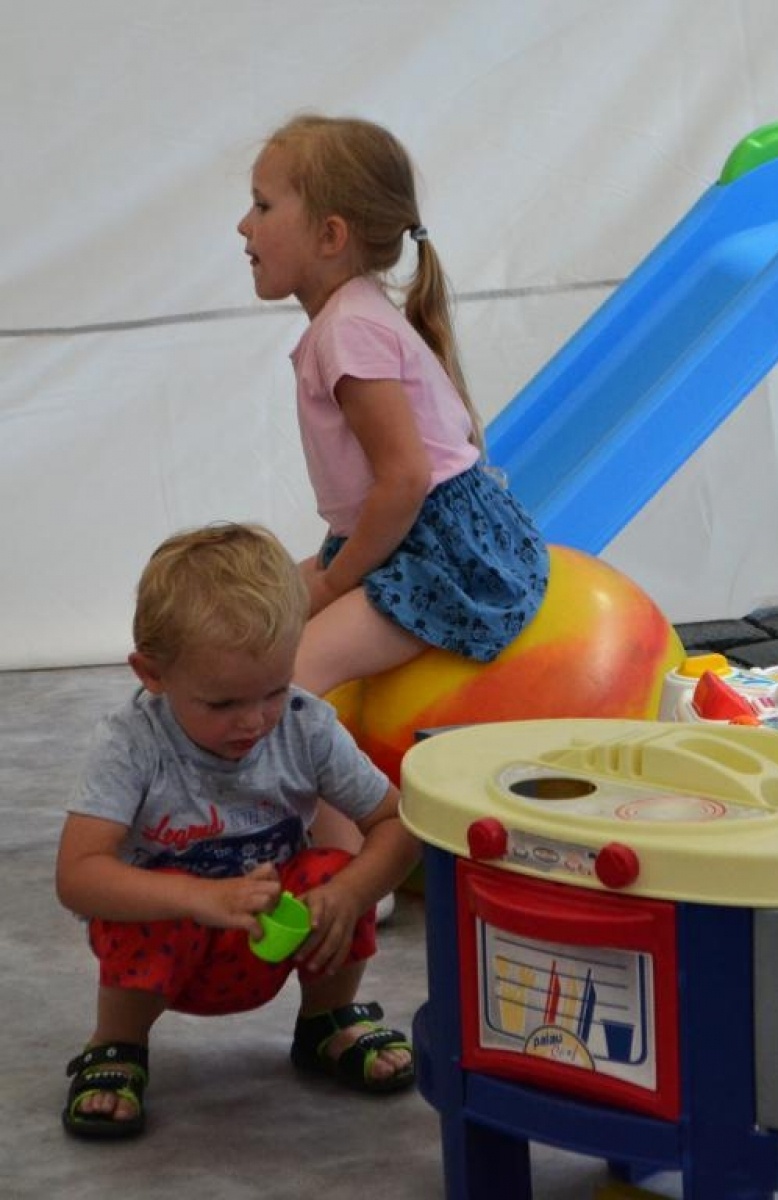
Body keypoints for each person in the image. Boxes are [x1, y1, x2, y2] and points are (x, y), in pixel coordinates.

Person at [56, 523, 421, 1140]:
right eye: (221, 704)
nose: (252, 722)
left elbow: (396, 821)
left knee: (334, 872)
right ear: (152, 673)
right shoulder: (131, 743)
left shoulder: (305, 724)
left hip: (273, 931)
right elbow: (79, 874)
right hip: (167, 947)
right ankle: (116, 1044)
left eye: (273, 691)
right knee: (143, 894)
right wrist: (201, 898)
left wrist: (353, 892)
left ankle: (327, 1021)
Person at [236, 114, 550, 701]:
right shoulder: (350, 316)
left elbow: (405, 479)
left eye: (262, 207)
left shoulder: (348, 331)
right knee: (246, 633)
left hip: (441, 556)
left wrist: (336, 583)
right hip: (406, 537)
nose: (243, 226)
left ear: (330, 236)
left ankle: (345, 798)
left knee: (293, 679)